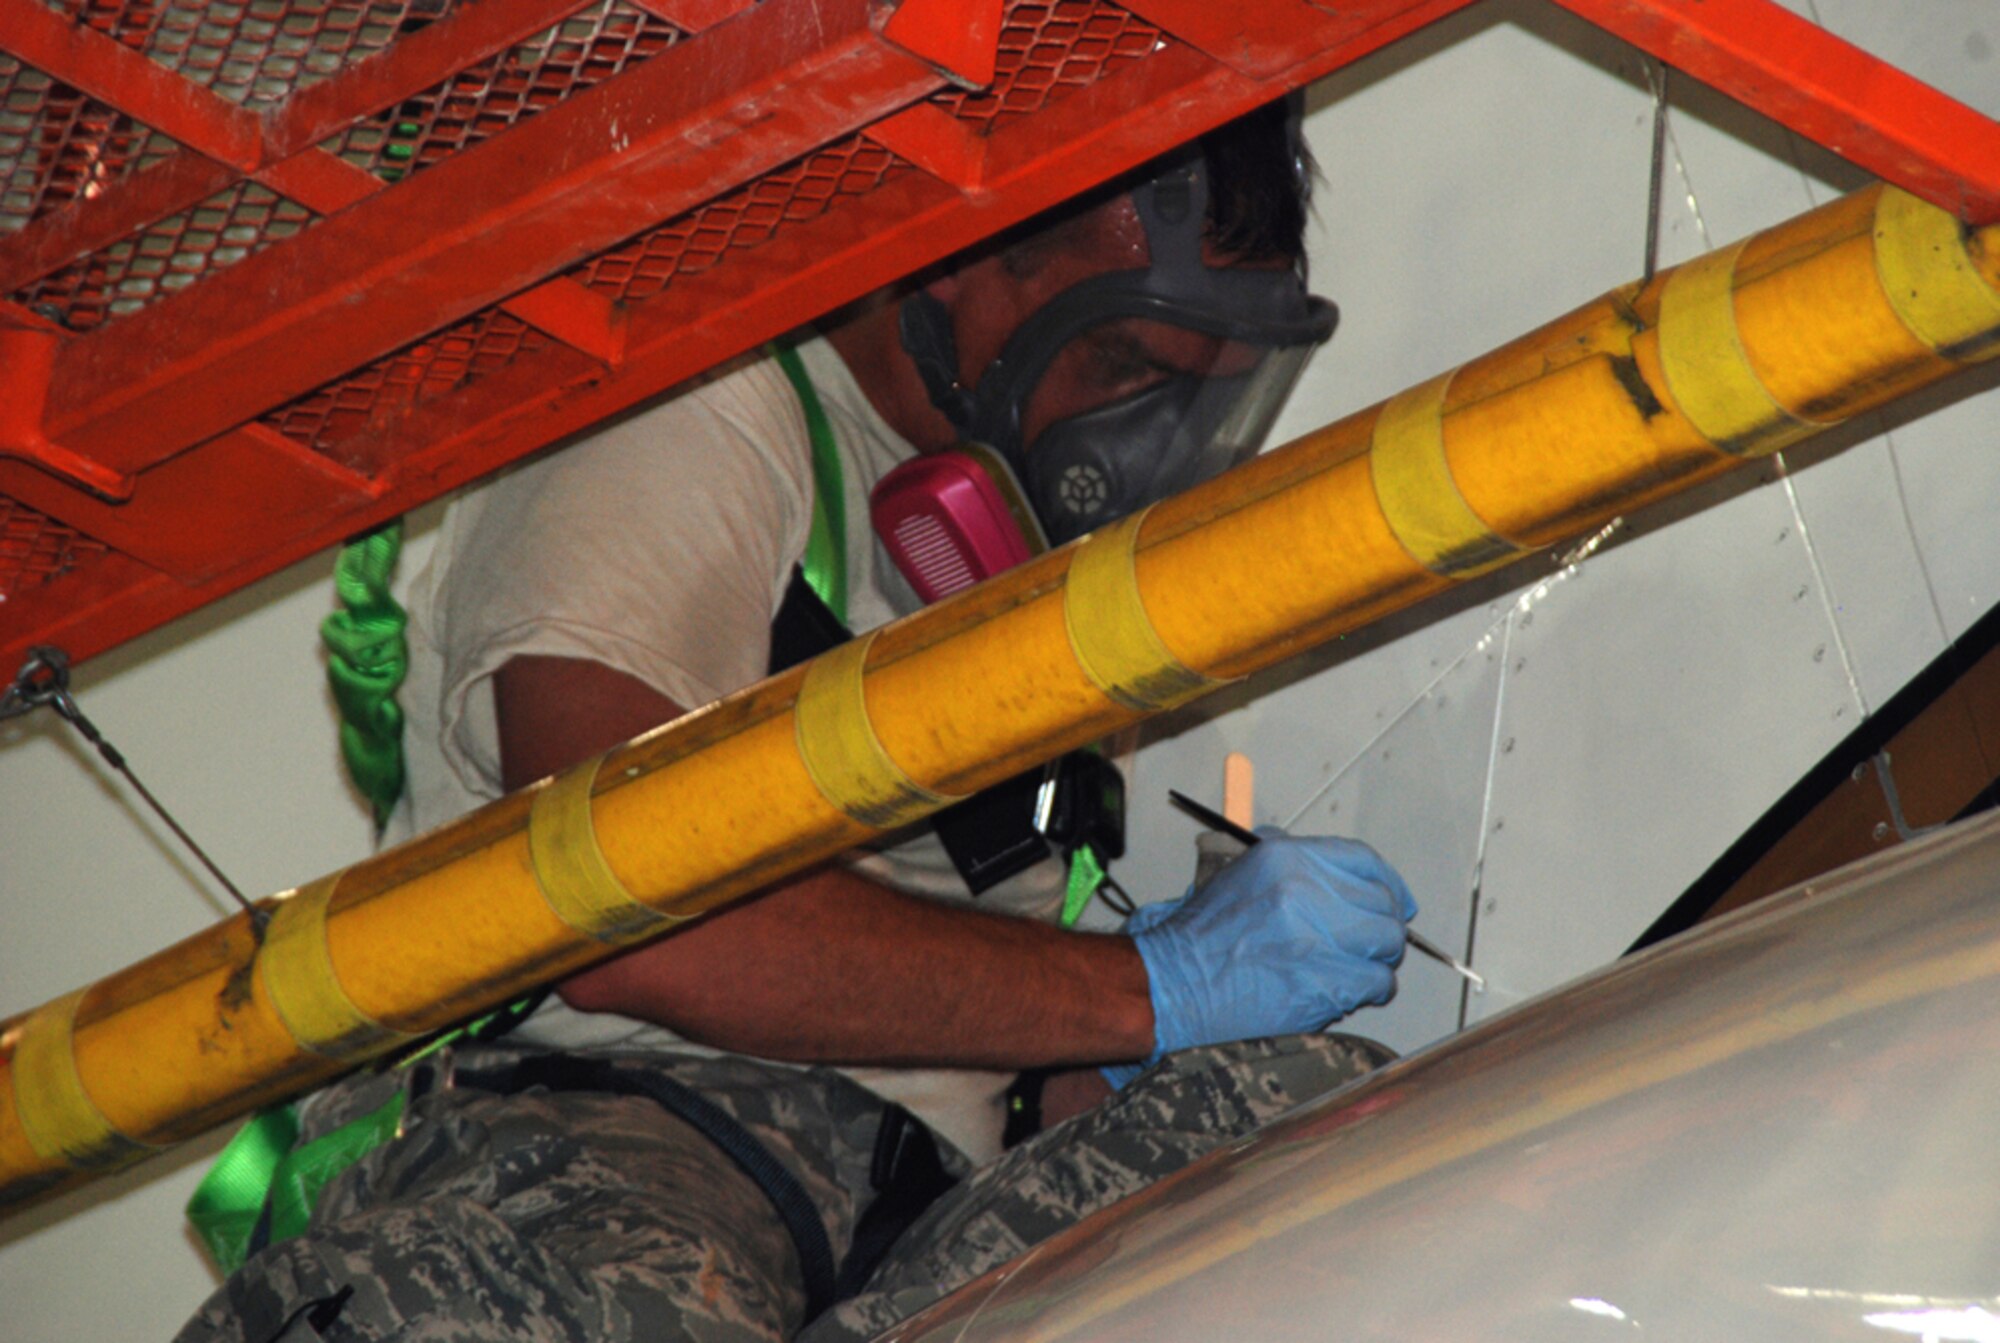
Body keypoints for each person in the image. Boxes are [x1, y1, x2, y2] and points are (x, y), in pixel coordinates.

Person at [174, 99, 1418, 1343]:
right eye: (1129, 368)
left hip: (914, 1201)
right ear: (956, 260)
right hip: (613, 1125)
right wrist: (1150, 988)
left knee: (1345, 1159)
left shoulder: (1052, 575)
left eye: (1209, 391)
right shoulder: (699, 406)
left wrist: (1143, 1049)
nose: (1153, 445)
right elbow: (628, 923)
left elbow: (1008, 1028)